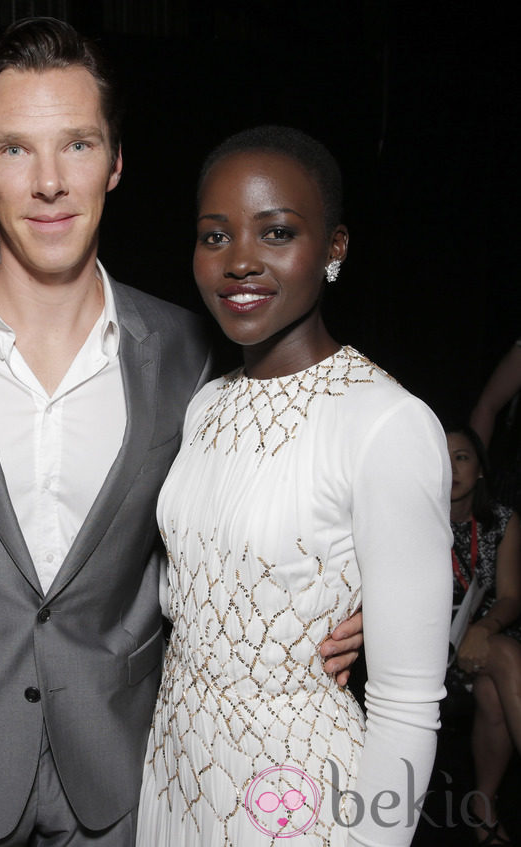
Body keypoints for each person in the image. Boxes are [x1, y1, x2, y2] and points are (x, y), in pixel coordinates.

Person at [0, 19, 362, 847]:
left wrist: (373, 590)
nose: (49, 182)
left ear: (114, 161)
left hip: (123, 773)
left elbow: (307, 461)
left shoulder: (189, 347)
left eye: (76, 144)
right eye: (14, 150)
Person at [136, 126, 452, 846]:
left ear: (334, 248)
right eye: (215, 237)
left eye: (275, 232)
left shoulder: (386, 421)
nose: (241, 260)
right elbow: (194, 588)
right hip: (178, 776)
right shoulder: (206, 403)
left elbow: (407, 703)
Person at [446, 426, 521, 846]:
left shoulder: (504, 521)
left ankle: (482, 805)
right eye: (443, 457)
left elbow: (511, 597)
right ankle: (483, 806)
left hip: (489, 634)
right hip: (431, 646)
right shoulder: (414, 520)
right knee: (508, 656)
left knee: (495, 691)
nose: (452, 466)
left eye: (462, 457)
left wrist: (483, 629)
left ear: (478, 472)